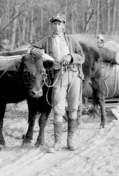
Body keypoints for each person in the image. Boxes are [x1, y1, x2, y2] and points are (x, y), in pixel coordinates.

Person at [30, 14, 85, 152]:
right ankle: (57, 143)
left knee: (73, 108)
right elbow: (32, 48)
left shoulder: (71, 40)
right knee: (58, 108)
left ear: (63, 26)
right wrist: (35, 51)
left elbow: (81, 56)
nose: (56, 26)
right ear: (51, 26)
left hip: (74, 74)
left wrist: (70, 56)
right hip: (58, 76)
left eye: (59, 23)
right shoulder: (47, 41)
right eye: (54, 23)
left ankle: (71, 141)